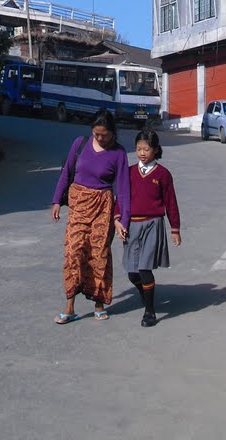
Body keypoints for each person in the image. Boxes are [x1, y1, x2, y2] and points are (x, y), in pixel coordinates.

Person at [51, 110, 130, 324]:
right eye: (96, 134)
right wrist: (57, 200)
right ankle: (69, 306)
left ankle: (99, 303)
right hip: (78, 205)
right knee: (73, 251)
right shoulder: (80, 143)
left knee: (99, 254)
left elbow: (123, 189)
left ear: (113, 133)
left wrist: (124, 219)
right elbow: (66, 172)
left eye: (104, 135)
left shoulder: (119, 153)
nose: (100, 138)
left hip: (103, 208)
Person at [115, 128, 181, 328]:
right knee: (132, 273)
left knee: (144, 268)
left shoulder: (162, 174)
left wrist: (175, 229)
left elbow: (171, 202)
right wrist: (117, 219)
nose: (142, 153)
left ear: (155, 150)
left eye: (146, 149)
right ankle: (146, 293)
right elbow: (121, 198)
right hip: (131, 225)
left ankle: (150, 311)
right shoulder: (129, 172)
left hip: (153, 224)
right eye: (138, 149)